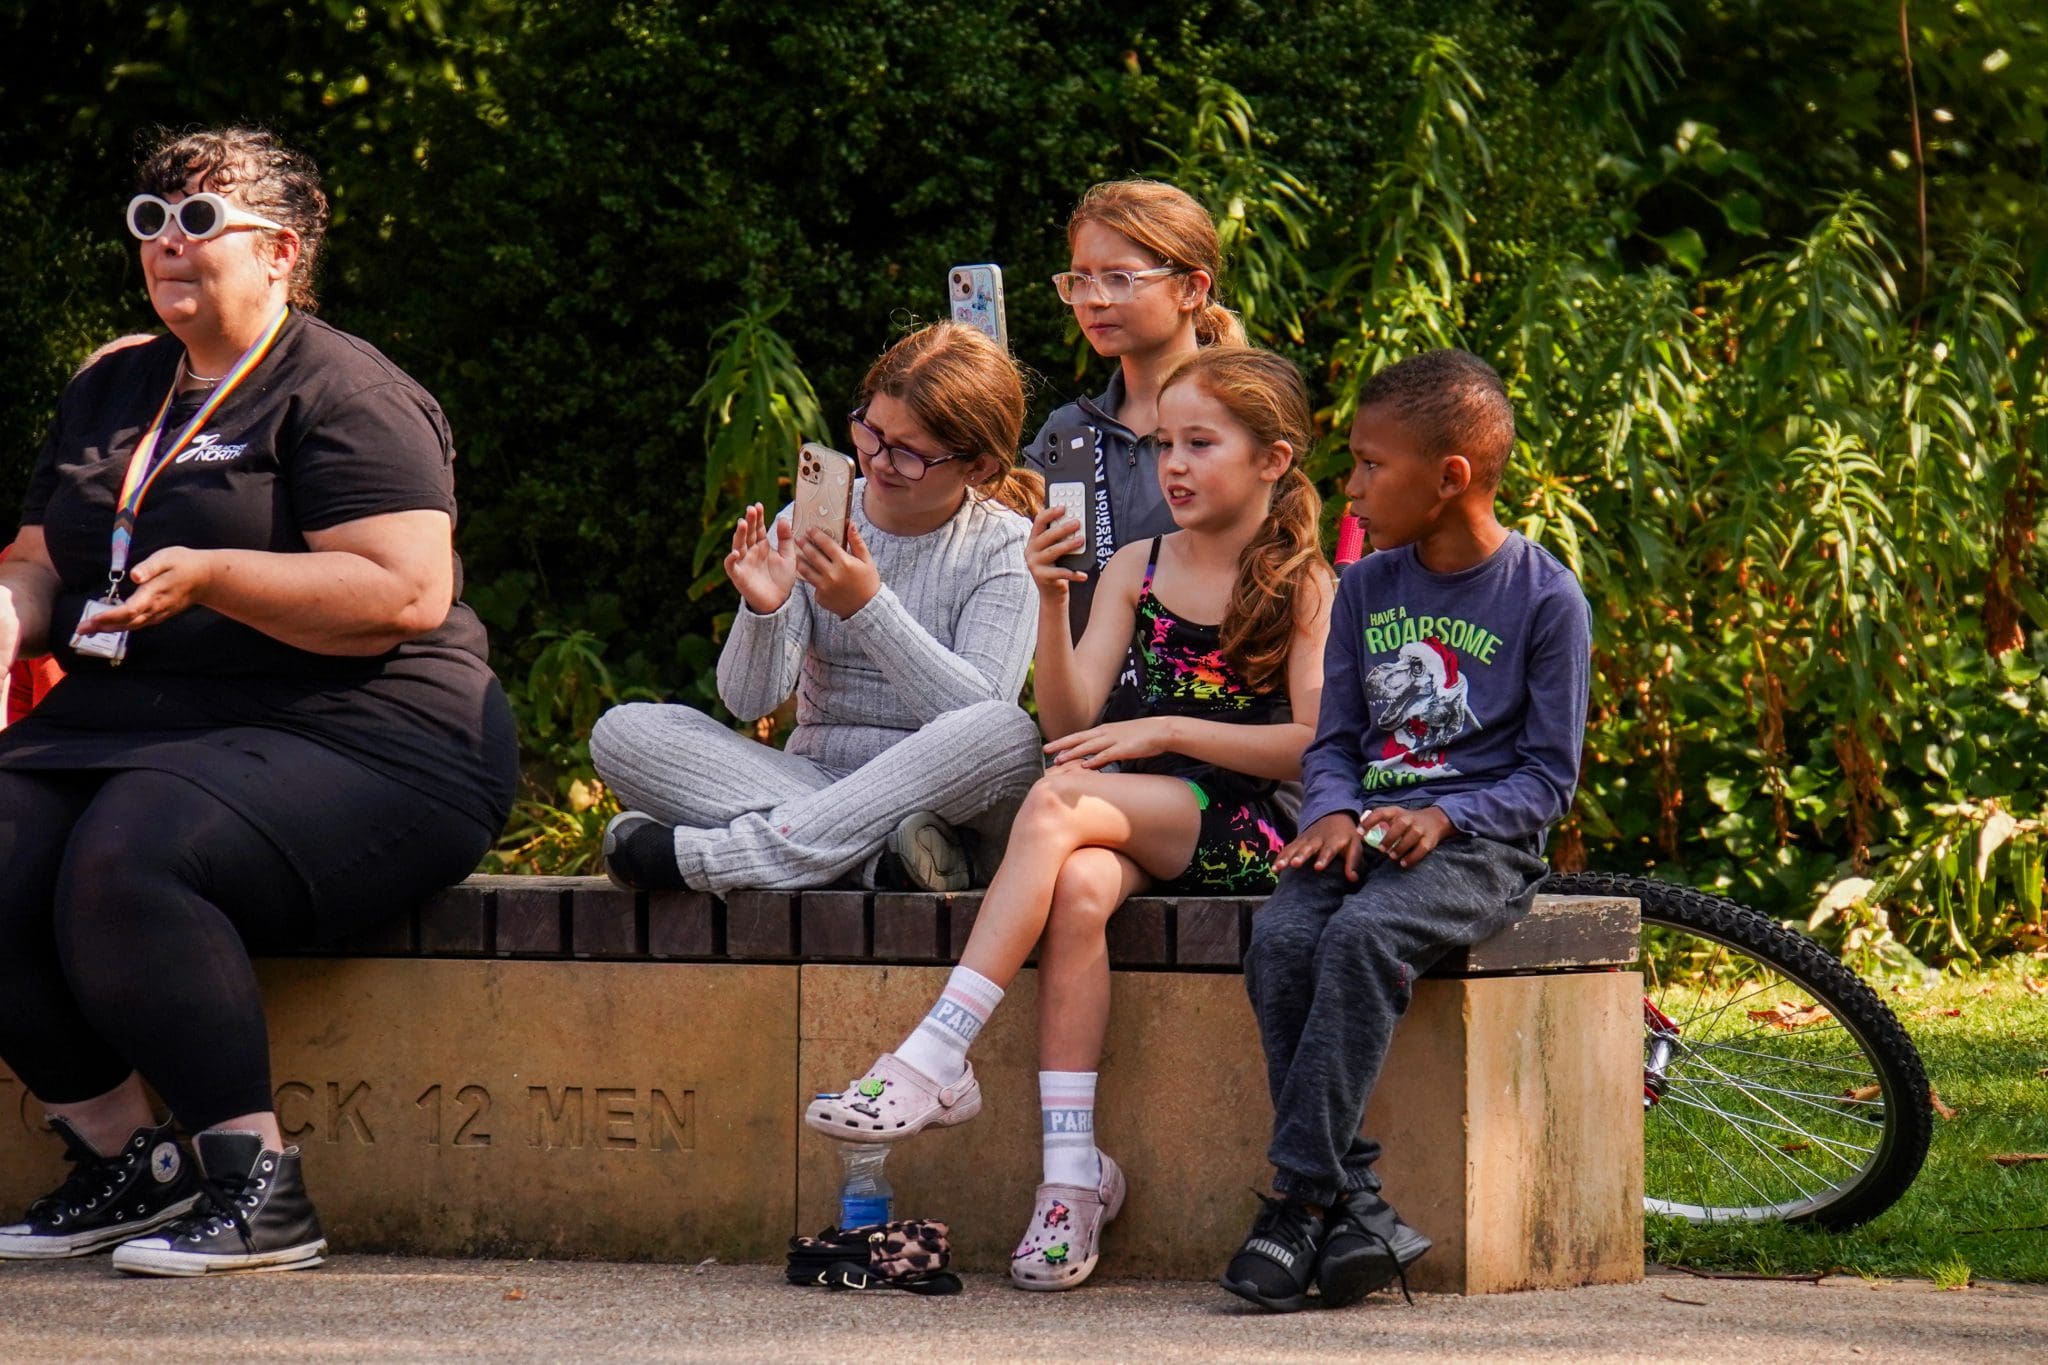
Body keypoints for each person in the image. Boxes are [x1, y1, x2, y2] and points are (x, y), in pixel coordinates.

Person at [0, 127, 516, 1276]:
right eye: (150, 220)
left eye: (197, 222)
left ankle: (257, 1187)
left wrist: (222, 573)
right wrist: (8, 611)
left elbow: (405, 591)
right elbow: (44, 555)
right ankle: (132, 1162)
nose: (166, 245)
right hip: (142, 717)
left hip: (364, 727)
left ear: (280, 251)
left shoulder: (346, 391)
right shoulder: (111, 383)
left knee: (133, 849)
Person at [806, 347, 1334, 1292]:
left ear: (1274, 460)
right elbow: (1068, 718)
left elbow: (1310, 742)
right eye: (1165, 442)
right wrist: (1053, 600)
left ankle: (935, 1053)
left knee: (1053, 799)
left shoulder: (1298, 579)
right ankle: (1071, 1173)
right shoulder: (1138, 562)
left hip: (1249, 821)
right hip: (1142, 807)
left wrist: (1169, 726)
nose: (1172, 464)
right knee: (1080, 888)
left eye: (1200, 443)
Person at [1220, 349, 1592, 1313]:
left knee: (1364, 937)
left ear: (1451, 476)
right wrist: (1335, 809)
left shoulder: (1545, 599)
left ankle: (1301, 1197)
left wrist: (1446, 813)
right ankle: (1358, 1207)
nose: (1353, 487)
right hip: (1363, 833)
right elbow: (1333, 740)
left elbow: (1547, 778)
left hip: (1481, 847)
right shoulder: (1368, 589)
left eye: (1372, 465)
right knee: (1283, 937)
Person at [594, 322, 1045, 894]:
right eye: (870, 433)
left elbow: (974, 712)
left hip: (942, 796)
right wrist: (766, 608)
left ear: (976, 467)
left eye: (908, 454)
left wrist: (868, 608)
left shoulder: (1002, 544)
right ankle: (872, 862)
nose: (878, 462)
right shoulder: (818, 516)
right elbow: (747, 700)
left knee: (1003, 730)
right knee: (625, 731)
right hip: (815, 778)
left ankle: (716, 859)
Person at [1023, 179, 1246, 632]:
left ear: (1191, 289)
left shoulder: (1243, 420)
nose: (1095, 299)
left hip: (1215, 693)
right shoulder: (1067, 433)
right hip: (1087, 696)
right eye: (1080, 279)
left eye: (1119, 279)